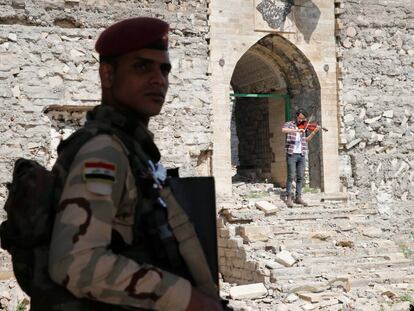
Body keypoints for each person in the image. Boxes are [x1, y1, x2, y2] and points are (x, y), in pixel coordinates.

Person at [48, 17, 224, 311]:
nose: (159, 79)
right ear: (108, 74)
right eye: (142, 67)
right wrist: (186, 298)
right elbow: (75, 262)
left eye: (164, 69)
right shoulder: (104, 151)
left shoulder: (132, 149)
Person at [281, 109, 320, 207]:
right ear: (296, 116)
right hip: (292, 154)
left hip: (301, 154)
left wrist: (314, 132)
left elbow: (306, 140)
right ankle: (289, 197)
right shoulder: (290, 124)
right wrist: (297, 130)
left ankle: (298, 197)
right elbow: (283, 130)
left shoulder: (305, 127)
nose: (301, 120)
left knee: (300, 177)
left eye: (303, 119)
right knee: (291, 176)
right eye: (300, 118)